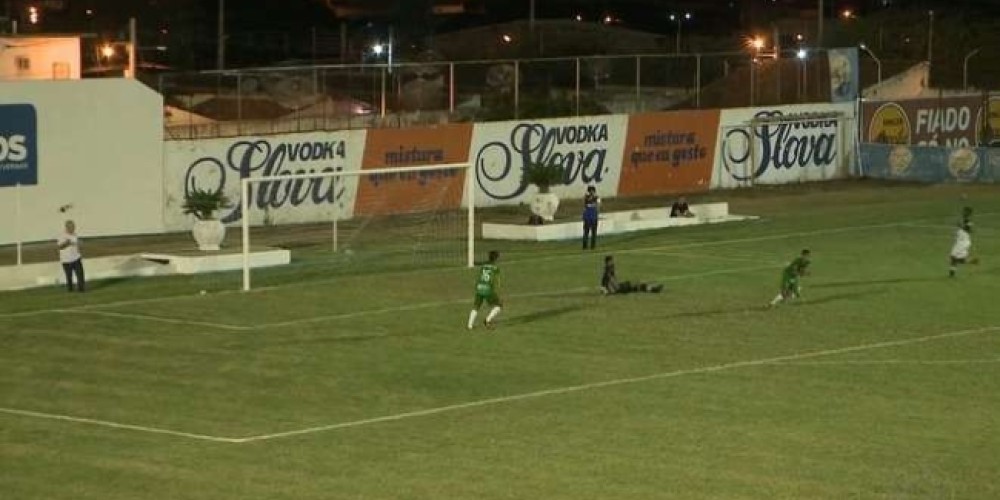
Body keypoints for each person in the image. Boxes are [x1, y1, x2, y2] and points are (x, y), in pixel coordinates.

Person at [468, 250, 502, 330]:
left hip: (479, 287)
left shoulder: (483, 266)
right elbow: (498, 281)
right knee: (499, 305)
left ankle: (469, 325)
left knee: (476, 306)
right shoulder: (496, 268)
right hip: (487, 289)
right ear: (496, 258)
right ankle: (487, 320)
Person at [57, 220, 86, 293]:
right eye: (71, 227)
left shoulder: (74, 235)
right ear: (67, 227)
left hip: (76, 258)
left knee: (80, 274)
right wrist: (67, 243)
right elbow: (60, 246)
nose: (73, 228)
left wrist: (80, 246)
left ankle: (81, 289)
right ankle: (70, 290)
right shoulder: (62, 235)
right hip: (66, 260)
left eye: (73, 227)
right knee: (69, 276)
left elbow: (77, 244)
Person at [949, 206, 978, 277]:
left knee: (954, 257)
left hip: (963, 242)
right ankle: (972, 261)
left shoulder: (968, 221)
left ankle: (952, 273)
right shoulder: (964, 220)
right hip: (959, 242)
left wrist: (960, 226)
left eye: (965, 211)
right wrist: (960, 226)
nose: (963, 212)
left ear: (968, 213)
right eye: (964, 211)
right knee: (957, 258)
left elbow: (969, 229)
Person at [582, 185, 600, 250]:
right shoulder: (595, 198)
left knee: (589, 233)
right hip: (591, 217)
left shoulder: (587, 198)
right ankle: (589, 246)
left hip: (590, 217)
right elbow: (598, 207)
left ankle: (588, 246)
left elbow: (584, 207)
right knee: (590, 233)